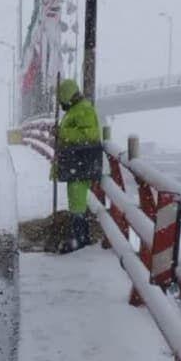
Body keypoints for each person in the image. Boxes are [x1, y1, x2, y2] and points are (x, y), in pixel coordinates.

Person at [53, 77, 102, 253]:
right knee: (75, 200)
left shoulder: (83, 110)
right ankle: (79, 237)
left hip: (82, 163)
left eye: (61, 99)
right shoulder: (75, 110)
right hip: (76, 163)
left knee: (77, 202)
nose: (60, 104)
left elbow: (90, 135)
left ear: (67, 95)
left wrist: (63, 133)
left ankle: (79, 240)